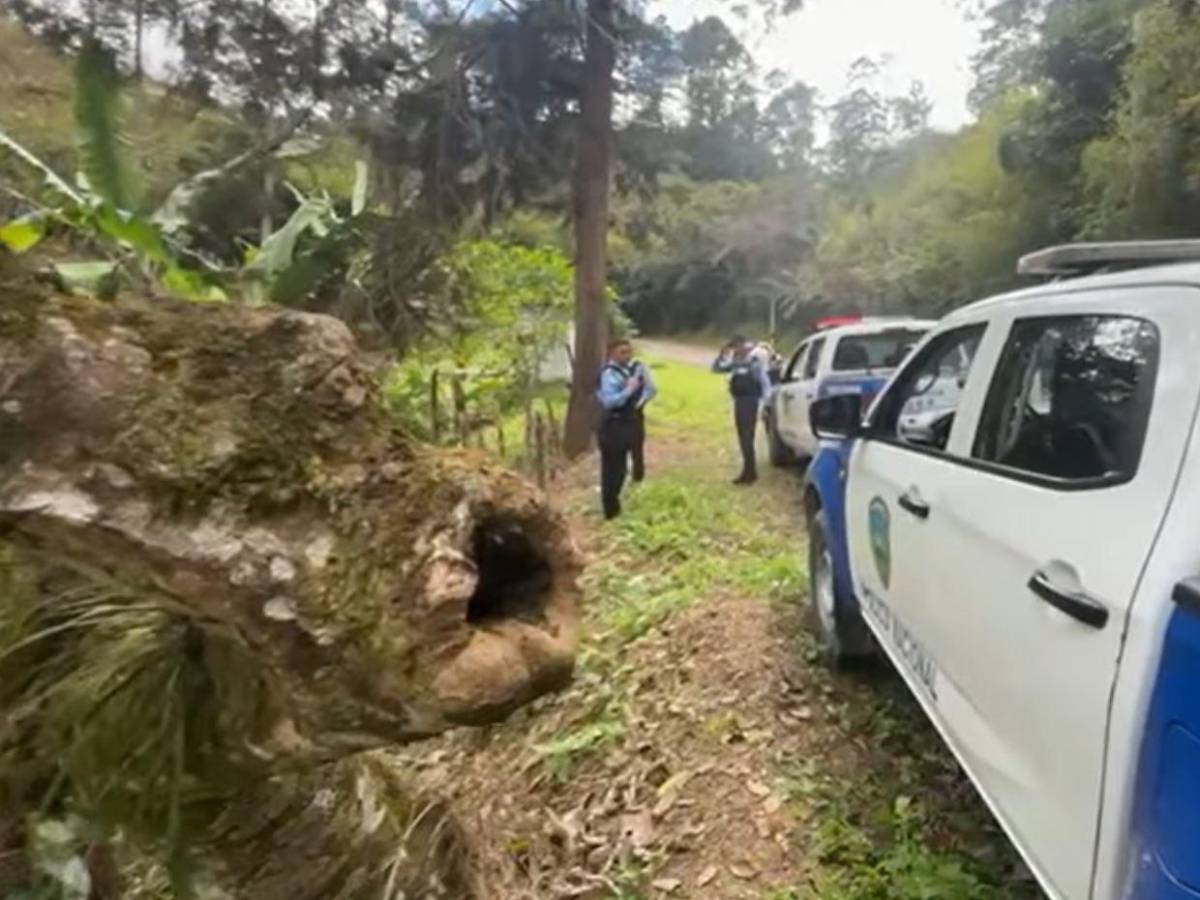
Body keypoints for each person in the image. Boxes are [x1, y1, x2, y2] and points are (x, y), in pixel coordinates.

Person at [594, 339, 649, 519]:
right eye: (622, 352)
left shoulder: (631, 371)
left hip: (628, 424)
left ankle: (614, 505)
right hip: (612, 426)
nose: (627, 356)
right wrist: (628, 390)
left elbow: (650, 390)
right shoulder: (609, 374)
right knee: (612, 469)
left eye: (629, 352)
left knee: (621, 468)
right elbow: (609, 401)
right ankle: (610, 509)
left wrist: (637, 402)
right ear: (612, 354)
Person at [712, 335, 773, 485]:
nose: (735, 351)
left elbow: (765, 383)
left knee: (747, 438)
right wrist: (721, 354)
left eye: (737, 347)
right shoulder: (736, 363)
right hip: (739, 401)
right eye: (733, 348)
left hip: (750, 402)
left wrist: (766, 404)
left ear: (743, 347)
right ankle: (748, 471)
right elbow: (716, 368)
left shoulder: (753, 363)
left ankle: (750, 472)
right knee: (743, 438)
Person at [628, 353, 657, 483]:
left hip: (634, 413)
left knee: (636, 446)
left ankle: (637, 476)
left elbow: (651, 389)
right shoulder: (609, 369)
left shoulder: (639, 367)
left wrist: (639, 404)